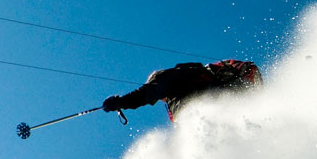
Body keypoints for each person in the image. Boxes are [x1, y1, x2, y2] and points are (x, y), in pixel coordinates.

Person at [102, 59, 262, 121]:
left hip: (219, 99)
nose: (161, 100)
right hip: (232, 103)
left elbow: (146, 94)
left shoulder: (166, 79)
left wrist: (120, 102)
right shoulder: (175, 96)